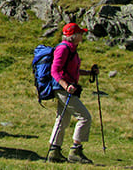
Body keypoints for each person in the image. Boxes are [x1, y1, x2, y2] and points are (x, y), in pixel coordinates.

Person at [47, 23, 99, 164]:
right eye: (80, 33)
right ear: (73, 36)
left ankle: (54, 152)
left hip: (65, 88)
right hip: (63, 89)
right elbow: (55, 70)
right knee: (84, 117)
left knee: (62, 119)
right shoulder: (63, 49)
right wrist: (66, 85)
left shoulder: (71, 49)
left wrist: (89, 73)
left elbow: (71, 70)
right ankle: (75, 151)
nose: (82, 36)